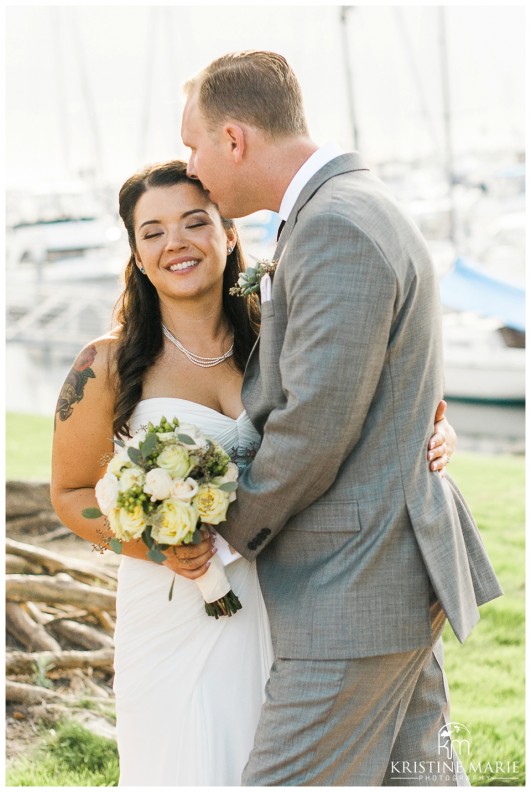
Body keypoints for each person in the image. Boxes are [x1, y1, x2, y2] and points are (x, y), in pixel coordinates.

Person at [51, 160, 456, 787]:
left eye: (194, 222)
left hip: (286, 597)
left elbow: (350, 416)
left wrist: (435, 433)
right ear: (135, 253)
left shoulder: (279, 341)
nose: (176, 243)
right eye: (152, 232)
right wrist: (156, 546)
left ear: (229, 234)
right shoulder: (103, 363)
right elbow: (70, 494)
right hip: (171, 608)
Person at [177, 51, 503, 786]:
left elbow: (313, 426)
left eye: (192, 144)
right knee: (416, 779)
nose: (190, 164)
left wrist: (227, 529)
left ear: (234, 138)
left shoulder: (335, 226)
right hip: (385, 573)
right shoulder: (347, 208)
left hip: (353, 588)